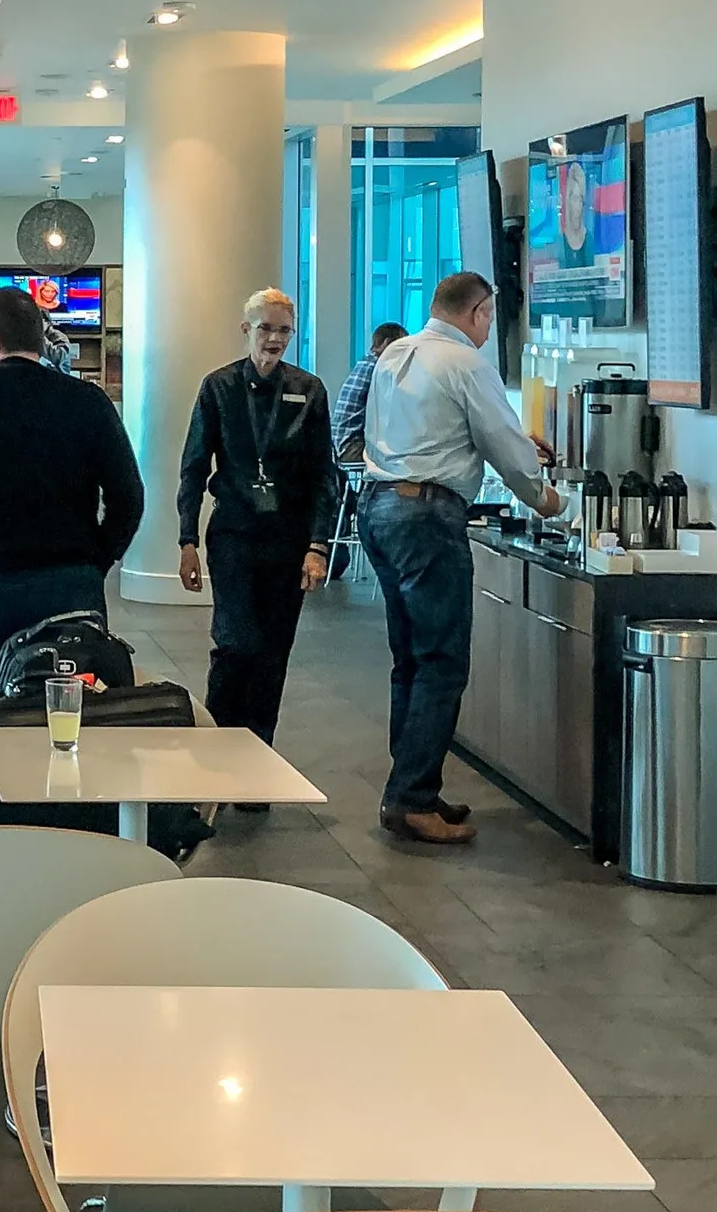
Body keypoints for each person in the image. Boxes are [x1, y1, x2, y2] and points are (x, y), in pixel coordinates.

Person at [359, 270, 564, 847]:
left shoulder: (397, 351)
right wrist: (550, 501)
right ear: (477, 313)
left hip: (378, 508)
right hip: (426, 519)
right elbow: (508, 455)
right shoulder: (467, 363)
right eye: (490, 318)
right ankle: (411, 796)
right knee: (443, 662)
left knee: (412, 660)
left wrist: (516, 443)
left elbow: (431, 429)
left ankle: (409, 786)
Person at [0, 284, 144, 682]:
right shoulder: (87, 400)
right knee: (77, 696)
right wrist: (97, 559)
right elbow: (129, 496)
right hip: (72, 579)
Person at [176, 288, 337, 762]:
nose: (274, 338)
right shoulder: (218, 387)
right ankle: (215, 753)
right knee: (234, 644)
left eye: (284, 329)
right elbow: (193, 467)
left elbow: (322, 476)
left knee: (272, 656)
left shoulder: (309, 391)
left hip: (287, 541)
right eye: (265, 328)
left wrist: (318, 545)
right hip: (234, 536)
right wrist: (187, 538)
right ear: (246, 329)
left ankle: (255, 762)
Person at [332, 321, 408, 466]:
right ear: (388, 344)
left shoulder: (365, 363)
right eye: (402, 347)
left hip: (339, 445)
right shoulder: (379, 369)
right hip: (352, 448)